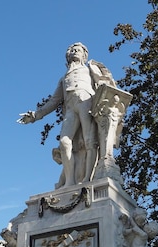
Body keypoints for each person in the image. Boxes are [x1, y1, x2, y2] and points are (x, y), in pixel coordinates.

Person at [18, 43, 115, 187]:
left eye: (79, 50)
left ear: (84, 55)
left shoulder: (89, 68)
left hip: (86, 102)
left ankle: (88, 178)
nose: (75, 51)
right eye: (72, 50)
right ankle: (69, 182)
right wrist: (35, 115)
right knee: (64, 142)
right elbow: (54, 101)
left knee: (90, 140)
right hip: (70, 108)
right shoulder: (63, 78)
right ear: (68, 56)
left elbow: (101, 82)